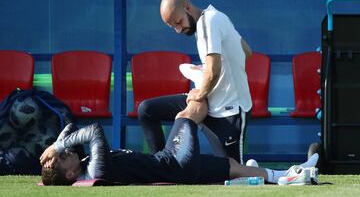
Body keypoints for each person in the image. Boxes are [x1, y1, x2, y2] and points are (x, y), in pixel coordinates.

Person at [40, 99, 318, 185]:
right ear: (69, 172)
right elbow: (95, 130)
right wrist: (57, 147)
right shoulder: (96, 170)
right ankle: (217, 103)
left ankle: (285, 175)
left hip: (177, 168)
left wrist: (56, 145)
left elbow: (71, 127)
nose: (67, 151)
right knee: (188, 111)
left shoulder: (81, 167)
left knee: (230, 166)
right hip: (173, 162)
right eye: (64, 156)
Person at [138, 0, 253, 164]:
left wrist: (199, 93)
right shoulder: (216, 18)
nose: (178, 29)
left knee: (234, 175)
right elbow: (247, 51)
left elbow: (214, 71)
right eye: (173, 27)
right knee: (147, 110)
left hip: (229, 111)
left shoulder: (209, 22)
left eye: (178, 22)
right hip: (208, 104)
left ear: (187, 7)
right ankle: (159, 167)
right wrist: (205, 70)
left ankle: (272, 174)